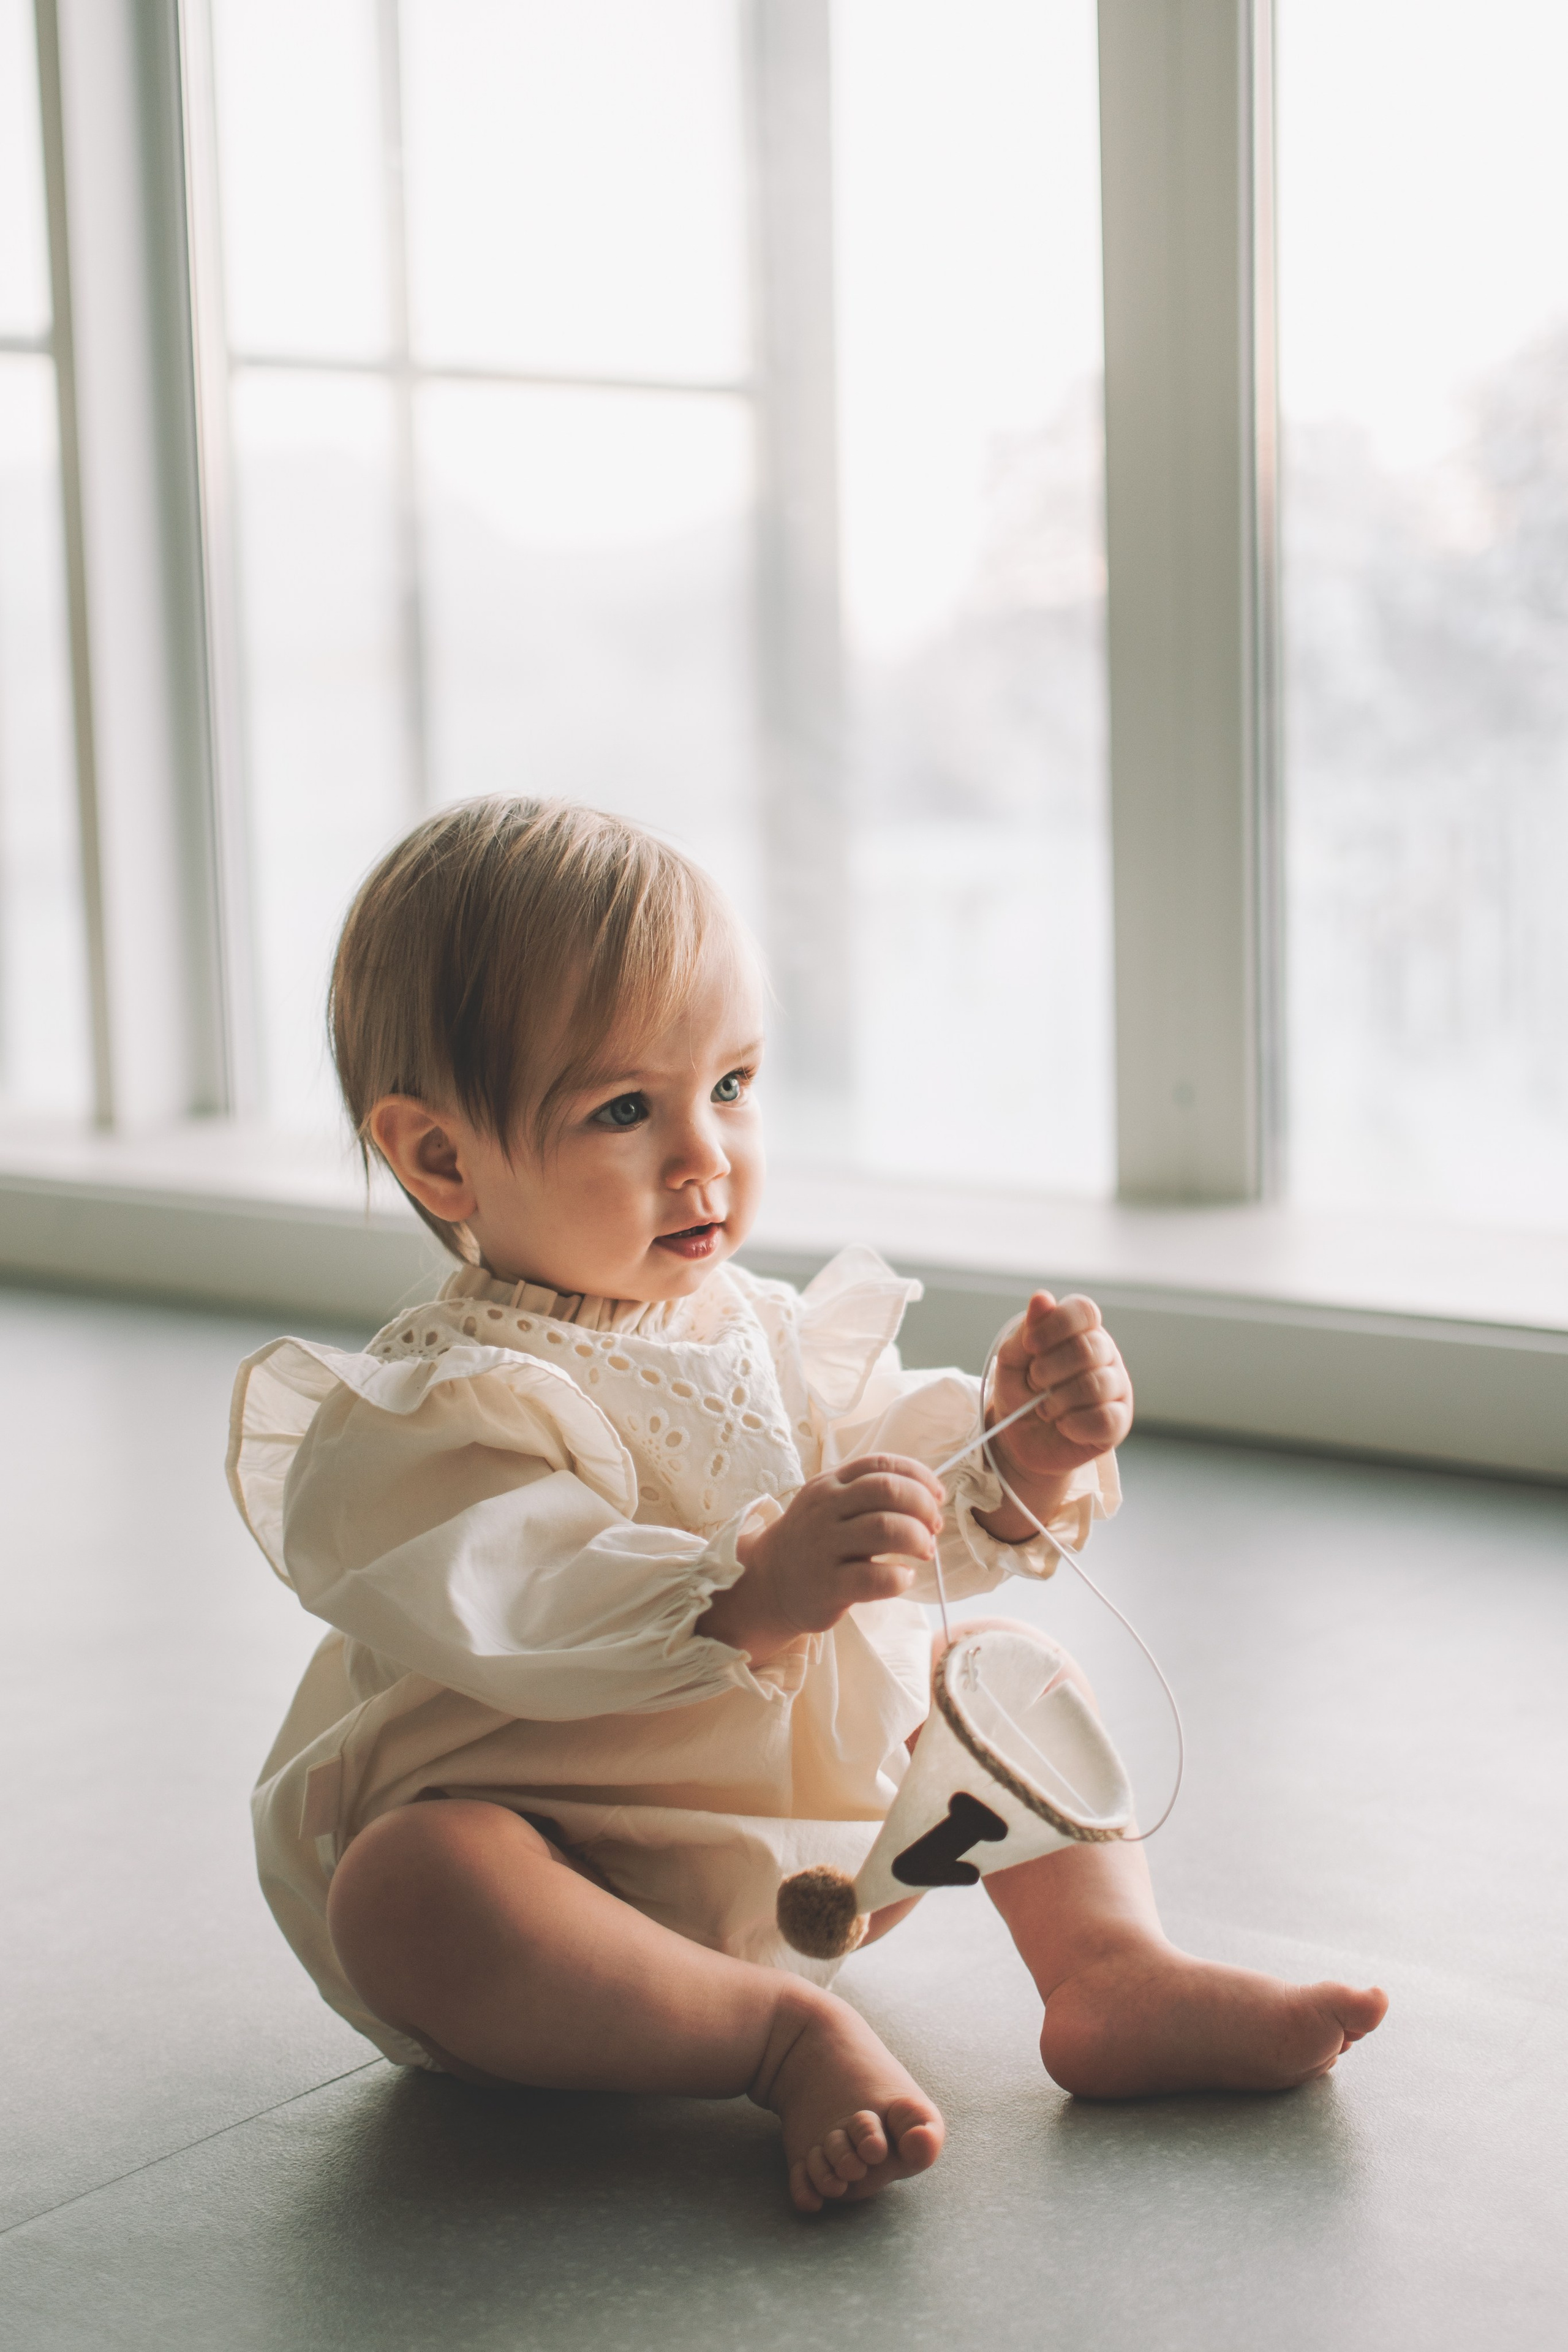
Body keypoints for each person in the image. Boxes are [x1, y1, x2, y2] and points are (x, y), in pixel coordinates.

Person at [228, 797, 1387, 2216]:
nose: (701, 1154)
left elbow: (906, 1500)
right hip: (565, 1887)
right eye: (621, 1111)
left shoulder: (755, 1326)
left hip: (813, 1856)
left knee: (1003, 1674)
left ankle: (1106, 1975)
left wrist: (1021, 1453)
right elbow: (514, 1594)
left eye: (729, 1085)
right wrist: (747, 1588)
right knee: (409, 1886)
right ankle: (778, 2036)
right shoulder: (446, 1401)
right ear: (443, 1160)